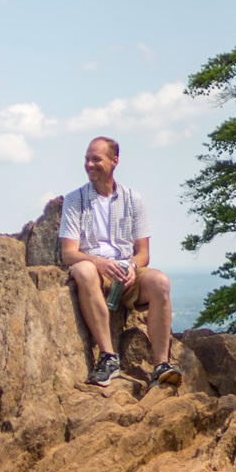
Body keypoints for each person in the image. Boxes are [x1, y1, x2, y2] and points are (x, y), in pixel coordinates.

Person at [58, 136, 183, 389]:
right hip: (94, 268)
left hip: (127, 272)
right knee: (83, 269)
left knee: (160, 281)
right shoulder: (74, 200)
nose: (89, 164)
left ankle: (161, 365)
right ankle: (108, 357)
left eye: (96, 159)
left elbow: (143, 252)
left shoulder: (133, 199)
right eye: (87, 159)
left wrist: (133, 268)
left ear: (114, 161)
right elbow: (69, 253)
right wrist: (100, 263)